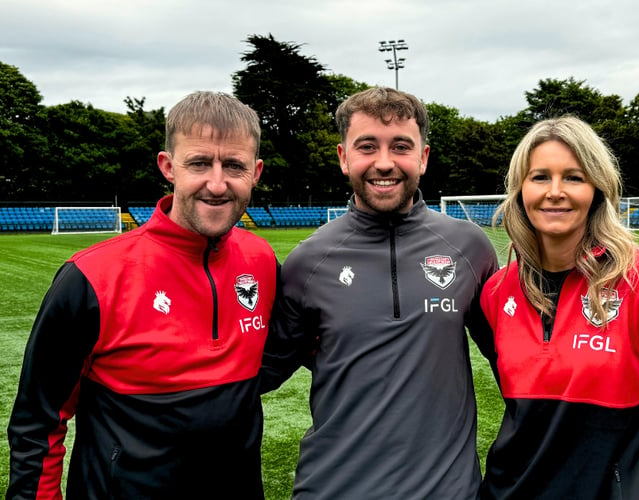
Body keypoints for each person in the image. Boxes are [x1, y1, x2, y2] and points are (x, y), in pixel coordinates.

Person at [7, 91, 278, 499]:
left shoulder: (262, 260)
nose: (217, 183)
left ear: (255, 172)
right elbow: (38, 422)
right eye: (200, 163)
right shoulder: (90, 277)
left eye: (234, 166)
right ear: (169, 167)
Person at [261, 87, 499, 499]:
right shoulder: (308, 262)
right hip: (332, 489)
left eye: (401, 147)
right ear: (343, 157)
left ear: (423, 157)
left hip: (447, 492)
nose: (384, 163)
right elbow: (254, 372)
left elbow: (517, 363)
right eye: (367, 146)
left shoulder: (470, 248)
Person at [478, 115, 639, 499]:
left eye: (573, 177)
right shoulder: (494, 292)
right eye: (540, 177)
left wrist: (635, 480)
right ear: (520, 189)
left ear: (597, 189)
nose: (555, 191)